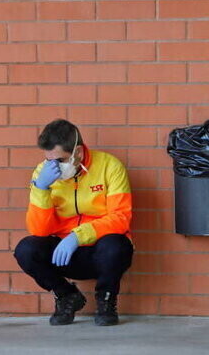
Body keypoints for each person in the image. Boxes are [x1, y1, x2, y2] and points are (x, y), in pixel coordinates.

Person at [13, 119, 133, 326]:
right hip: (63, 253)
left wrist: (78, 236)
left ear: (77, 152)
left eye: (60, 160)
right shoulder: (43, 173)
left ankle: (106, 301)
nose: (53, 166)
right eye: (48, 159)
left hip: (100, 251)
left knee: (117, 245)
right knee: (26, 249)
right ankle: (67, 296)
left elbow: (120, 218)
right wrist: (41, 188)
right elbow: (39, 230)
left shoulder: (110, 166)